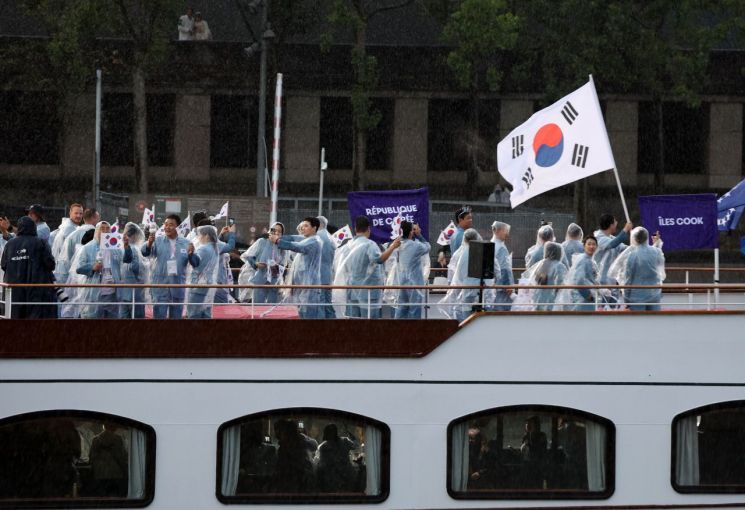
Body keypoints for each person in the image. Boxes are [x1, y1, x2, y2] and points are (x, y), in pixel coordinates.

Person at [334, 216, 399, 319]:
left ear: (355, 229)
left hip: (352, 290)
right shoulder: (370, 245)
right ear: (369, 229)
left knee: (354, 320)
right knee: (369, 322)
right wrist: (392, 247)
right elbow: (379, 259)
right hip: (369, 292)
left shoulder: (347, 246)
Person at [0, 216, 56, 318]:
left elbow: (4, 265)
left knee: (15, 324)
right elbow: (51, 264)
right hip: (36, 292)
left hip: (14, 293)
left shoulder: (9, 244)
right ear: (33, 227)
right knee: (35, 326)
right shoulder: (41, 242)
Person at [142, 214, 192, 319]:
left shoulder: (186, 243)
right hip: (160, 287)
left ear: (178, 227)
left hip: (177, 287)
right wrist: (149, 243)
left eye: (171, 225)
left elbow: (195, 263)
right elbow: (144, 252)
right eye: (165, 224)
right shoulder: (157, 240)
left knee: (176, 323)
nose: (167, 227)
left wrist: (192, 254)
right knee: (159, 321)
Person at [271, 217, 323, 318]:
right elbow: (293, 239)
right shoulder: (306, 240)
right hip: (302, 285)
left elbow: (296, 246)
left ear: (314, 228)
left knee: (308, 315)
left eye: (306, 226)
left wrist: (278, 241)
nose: (303, 228)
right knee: (301, 313)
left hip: (309, 286)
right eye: (302, 226)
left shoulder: (314, 242)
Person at [76, 221, 129, 319]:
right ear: (97, 231)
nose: (105, 231)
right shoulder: (87, 248)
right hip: (95, 292)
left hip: (113, 293)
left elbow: (127, 259)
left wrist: (126, 246)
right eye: (102, 228)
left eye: (107, 229)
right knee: (94, 322)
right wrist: (92, 267)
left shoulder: (116, 247)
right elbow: (79, 268)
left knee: (112, 323)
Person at [609, 226, 665, 311]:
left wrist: (626, 299)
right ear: (646, 238)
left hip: (636, 296)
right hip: (654, 294)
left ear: (634, 239)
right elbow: (661, 272)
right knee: (655, 321)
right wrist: (657, 244)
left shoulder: (632, 255)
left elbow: (628, 278)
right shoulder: (656, 252)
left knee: (638, 322)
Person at [393, 221, 431, 319]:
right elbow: (428, 247)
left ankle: (399, 333)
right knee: (414, 313)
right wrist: (419, 235)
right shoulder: (416, 246)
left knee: (401, 311)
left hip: (401, 283)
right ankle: (413, 333)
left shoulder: (397, 245)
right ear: (411, 232)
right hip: (415, 285)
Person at [444, 228, 482, 321]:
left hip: (463, 291)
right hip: (479, 291)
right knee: (477, 319)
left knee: (464, 318)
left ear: (464, 239)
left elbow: (454, 275)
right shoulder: (481, 252)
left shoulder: (458, 254)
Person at [246, 222, 287, 305]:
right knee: (257, 305)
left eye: (279, 231)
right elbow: (248, 256)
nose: (276, 232)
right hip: (260, 277)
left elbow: (284, 264)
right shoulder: (262, 242)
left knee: (271, 306)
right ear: (270, 231)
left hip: (274, 280)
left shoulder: (282, 246)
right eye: (274, 230)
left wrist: (276, 267)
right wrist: (256, 264)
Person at [556, 235, 600, 311]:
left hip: (583, 299)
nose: (591, 246)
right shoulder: (584, 260)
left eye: (593, 244)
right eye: (589, 244)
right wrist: (588, 295)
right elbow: (579, 281)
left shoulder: (588, 260)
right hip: (582, 300)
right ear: (584, 246)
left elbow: (589, 278)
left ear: (596, 247)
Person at [185, 225, 220, 318]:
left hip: (198, 285)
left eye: (200, 235)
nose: (198, 237)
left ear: (207, 236)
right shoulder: (214, 249)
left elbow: (195, 262)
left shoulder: (204, 249)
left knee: (193, 314)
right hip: (208, 284)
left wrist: (190, 254)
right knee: (206, 313)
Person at [314, 424, 357, 493]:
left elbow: (319, 465)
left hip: (331, 482)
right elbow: (355, 445)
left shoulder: (323, 447)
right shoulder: (344, 441)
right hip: (344, 479)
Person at [89, 422, 128, 497]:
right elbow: (120, 456)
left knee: (102, 498)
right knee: (115, 497)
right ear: (115, 427)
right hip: (115, 473)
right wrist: (125, 470)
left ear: (104, 426)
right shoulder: (117, 439)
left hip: (100, 474)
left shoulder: (96, 439)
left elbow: (91, 457)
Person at [119, 222, 148, 318]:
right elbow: (136, 268)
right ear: (136, 235)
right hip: (135, 292)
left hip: (122, 291)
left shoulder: (119, 248)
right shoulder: (134, 249)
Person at [530, 241, 568, 311]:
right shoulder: (559, 266)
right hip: (551, 303)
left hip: (538, 301)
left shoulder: (541, 264)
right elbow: (561, 284)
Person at [489, 221, 514, 310]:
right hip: (502, 287)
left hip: (493, 284)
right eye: (505, 231)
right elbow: (504, 269)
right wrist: (508, 285)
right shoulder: (501, 248)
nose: (507, 233)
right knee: (503, 311)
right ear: (498, 231)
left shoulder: (491, 244)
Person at [520, 416, 547, 489]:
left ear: (536, 425)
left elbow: (539, 452)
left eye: (530, 424)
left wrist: (529, 445)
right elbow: (523, 451)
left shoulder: (542, 436)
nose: (527, 425)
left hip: (537, 466)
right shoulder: (525, 436)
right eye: (526, 424)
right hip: (526, 465)